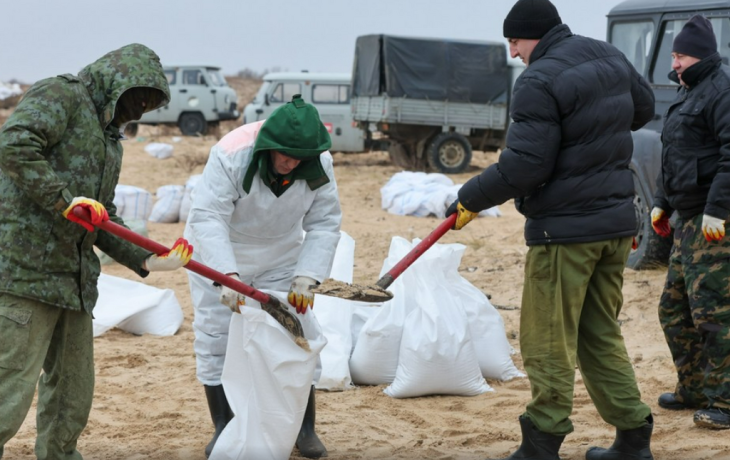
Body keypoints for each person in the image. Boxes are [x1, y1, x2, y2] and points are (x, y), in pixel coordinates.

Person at [446, 0, 656, 458]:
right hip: (617, 226)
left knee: (546, 338)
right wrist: (594, 133)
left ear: (532, 36)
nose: (513, 53)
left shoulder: (538, 80)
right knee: (599, 332)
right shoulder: (607, 55)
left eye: (515, 42)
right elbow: (643, 108)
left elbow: (525, 164)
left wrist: (469, 198)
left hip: (566, 232)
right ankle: (634, 439)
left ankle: (542, 442)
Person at [0, 43, 193, 460]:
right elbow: (14, 144)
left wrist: (148, 258)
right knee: (8, 391)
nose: (140, 110)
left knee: (73, 396)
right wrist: (61, 198)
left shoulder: (110, 140)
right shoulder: (62, 95)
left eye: (148, 103)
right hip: (27, 273)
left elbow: (101, 216)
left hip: (75, 283)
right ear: (118, 80)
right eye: (138, 97)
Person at [184, 94, 341, 458]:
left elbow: (324, 222)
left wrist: (308, 275)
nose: (290, 163)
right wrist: (226, 276)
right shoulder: (231, 154)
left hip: (281, 255)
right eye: (283, 154)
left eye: (299, 158)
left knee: (296, 331)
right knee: (216, 335)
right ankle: (225, 425)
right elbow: (209, 218)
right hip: (222, 251)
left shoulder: (320, 163)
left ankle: (304, 427)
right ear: (268, 145)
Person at [650, 15, 730, 430]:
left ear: (698, 55)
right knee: (674, 310)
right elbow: (674, 153)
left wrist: (718, 208)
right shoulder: (689, 91)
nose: (674, 61)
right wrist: (662, 202)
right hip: (686, 222)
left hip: (714, 223)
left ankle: (725, 402)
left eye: (679, 54)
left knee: (715, 315)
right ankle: (694, 387)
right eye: (674, 54)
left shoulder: (722, 91)